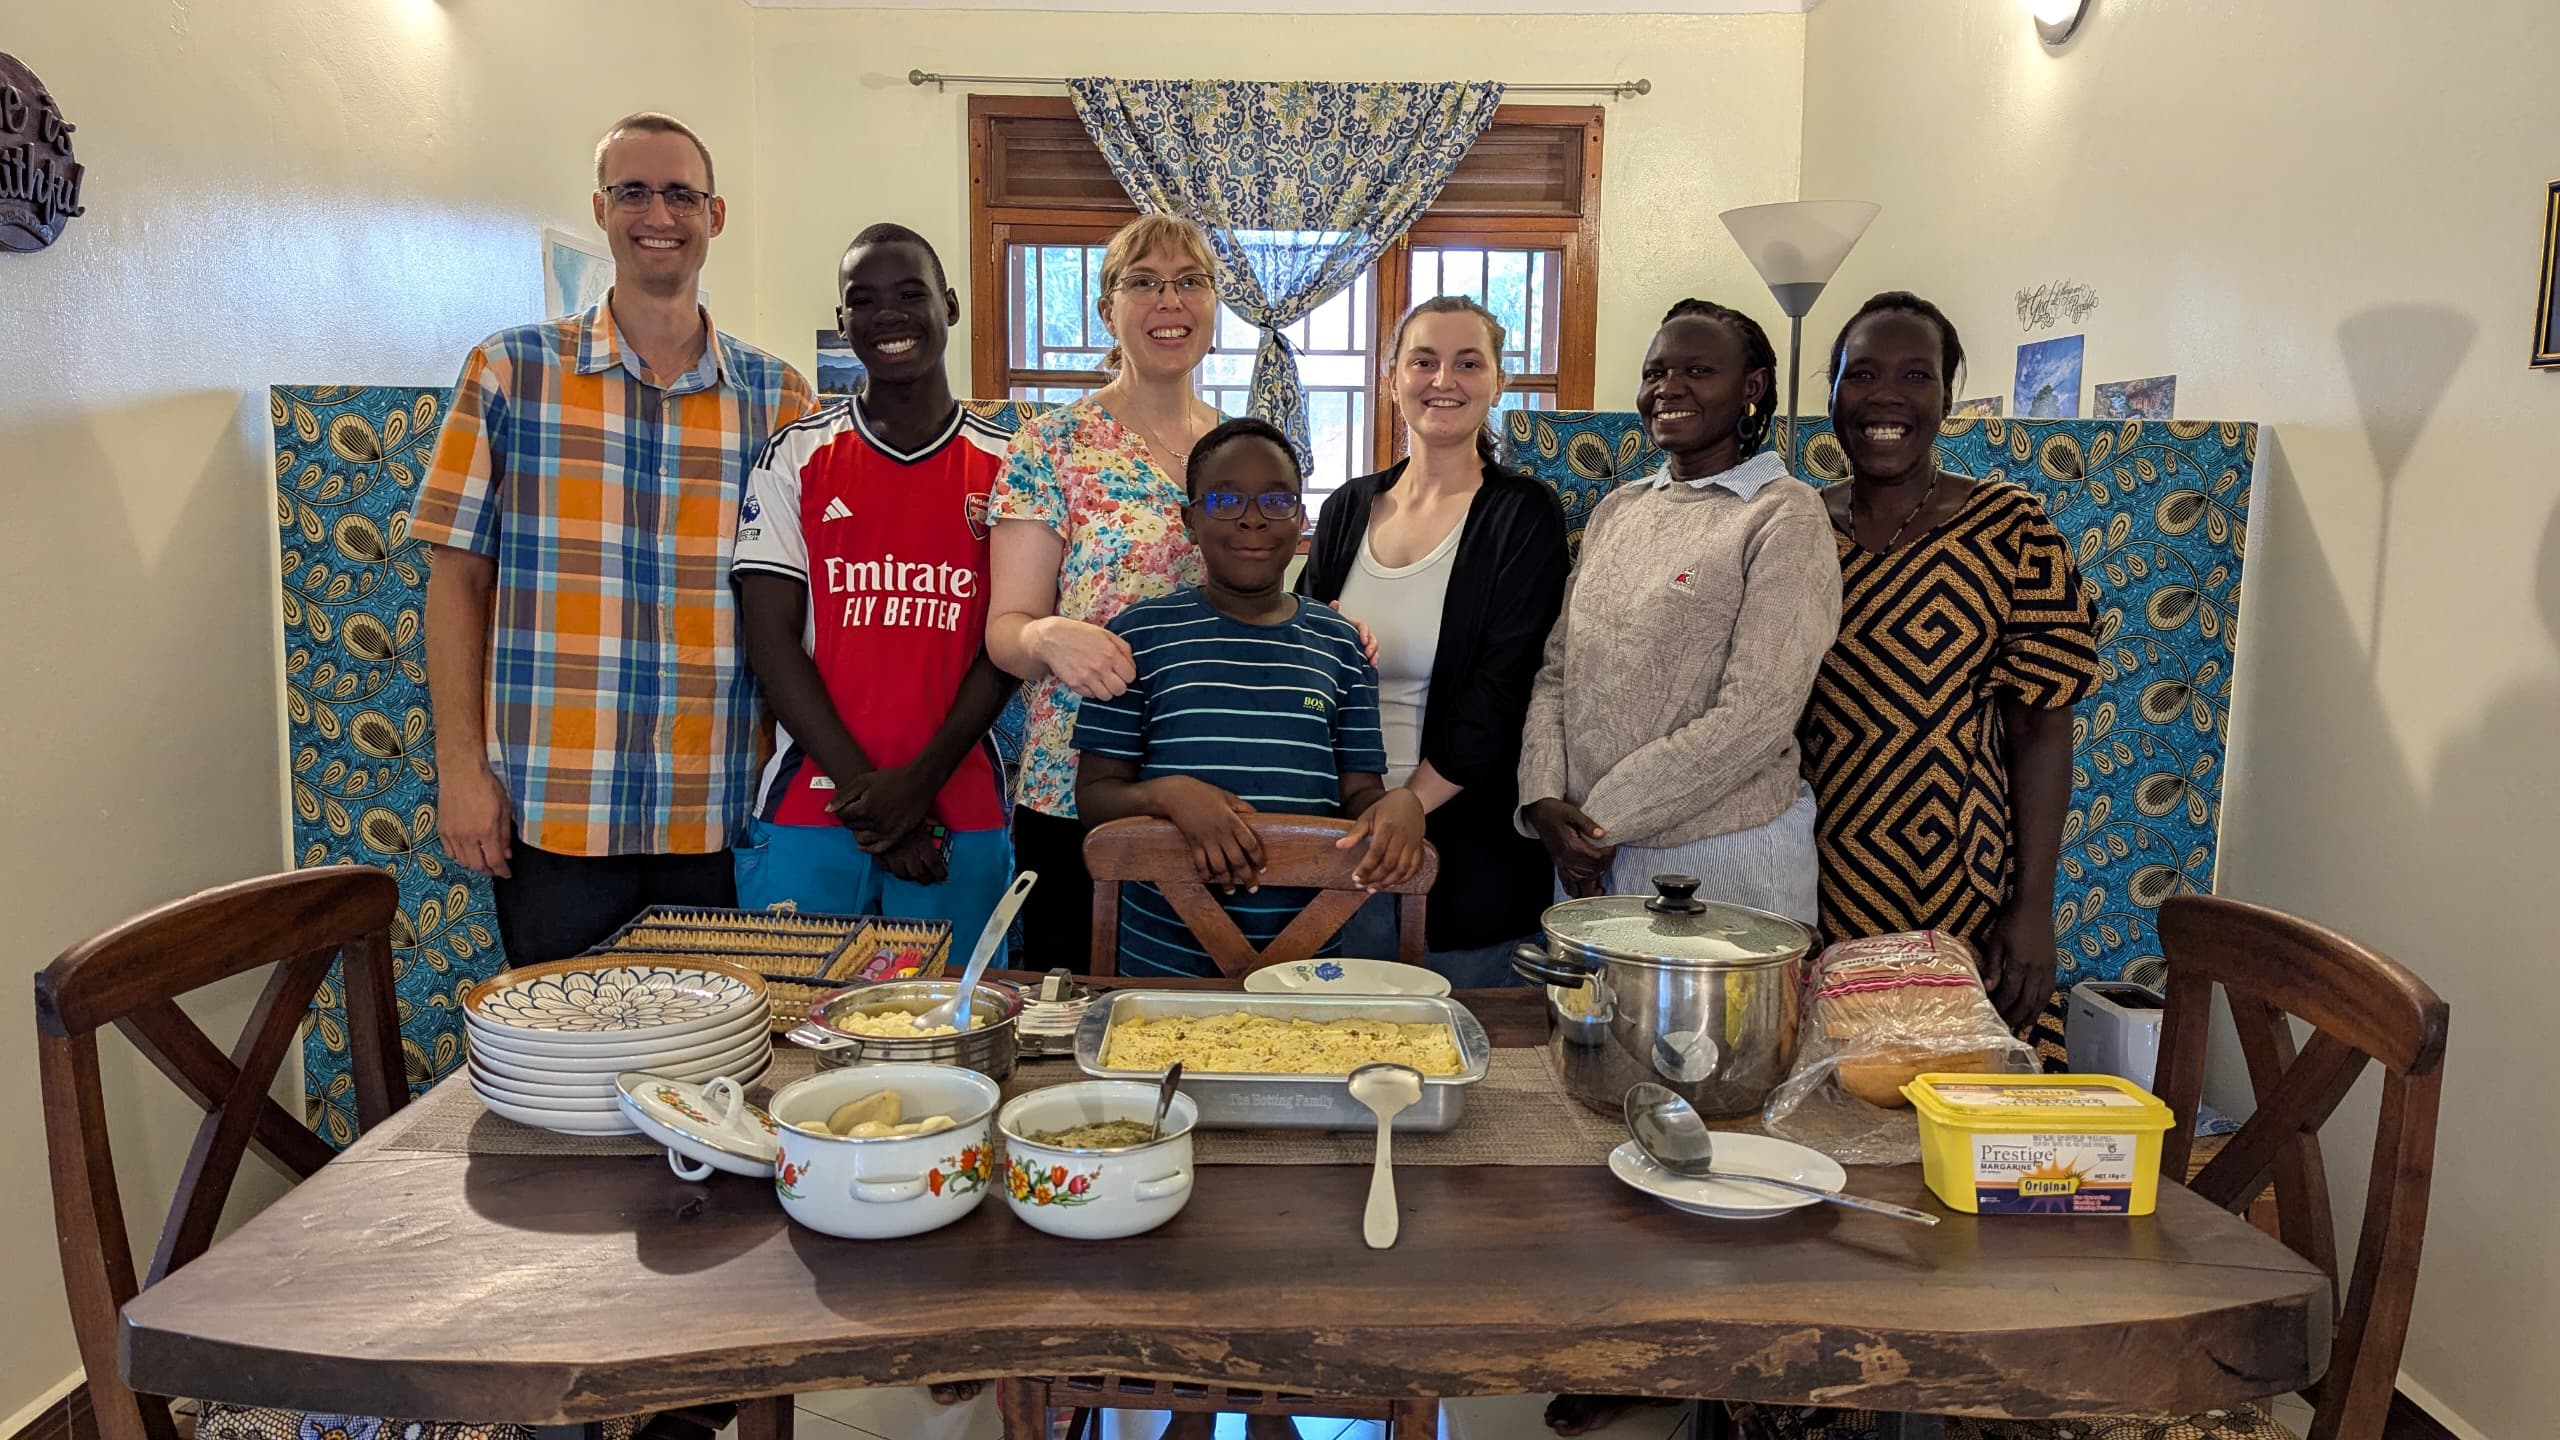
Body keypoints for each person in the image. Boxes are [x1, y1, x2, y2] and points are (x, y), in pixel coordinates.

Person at [414, 112, 812, 966]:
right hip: (554, 812)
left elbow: (802, 606)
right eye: (633, 191)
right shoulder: (511, 373)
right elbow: (457, 583)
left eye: (680, 194)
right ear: (601, 209)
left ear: (717, 215)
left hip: (719, 808)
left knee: (716, 1072)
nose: (657, 214)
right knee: (564, 1075)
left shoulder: (778, 397)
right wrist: (460, 769)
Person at [1801, 291, 2100, 1031]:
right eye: (1862, 375)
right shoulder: (1793, 528)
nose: (1886, 398)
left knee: (1960, 1096)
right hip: (1804, 880)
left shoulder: (2011, 530)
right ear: (1833, 391)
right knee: (1822, 1095)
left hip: (1958, 884)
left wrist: (2032, 910)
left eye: (1916, 376)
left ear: (1948, 393)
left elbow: (2040, 731)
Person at [728, 223, 1017, 945]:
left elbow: (1007, 646)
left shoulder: (1010, 464)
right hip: (811, 804)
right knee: (797, 1037)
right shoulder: (796, 453)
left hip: (960, 803)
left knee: (957, 1033)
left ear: (949, 305)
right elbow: (769, 640)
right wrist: (878, 807)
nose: (889, 314)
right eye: (865, 300)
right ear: (843, 322)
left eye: (911, 293)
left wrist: (917, 790)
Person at [1518, 299, 1842, 925]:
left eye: (1697, 371)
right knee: (1592, 1023)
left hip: (1721, 856)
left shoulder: (1784, 514)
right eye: (1655, 372)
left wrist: (1601, 820)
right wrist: (1543, 799)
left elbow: (1757, 714)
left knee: (1717, 1028)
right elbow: (1559, 670)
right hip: (1584, 851)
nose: (1669, 388)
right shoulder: (1621, 508)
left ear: (1751, 388)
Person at [1072, 419, 1427, 978]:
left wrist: (1399, 806)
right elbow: (1093, 797)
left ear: (1302, 518)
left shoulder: (1341, 646)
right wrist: (1173, 795)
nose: (1254, 517)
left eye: (1277, 499)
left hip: (1307, 959)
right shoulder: (1137, 636)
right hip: (1159, 961)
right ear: (1191, 520)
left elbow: (1359, 792)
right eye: (1226, 498)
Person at [1299, 295, 1569, 986]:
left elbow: (1505, 686)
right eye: (1424, 361)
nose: (1443, 380)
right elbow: (1304, 658)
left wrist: (1410, 802)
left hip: (1466, 847)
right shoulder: (1347, 507)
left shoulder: (1523, 512)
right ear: (1393, 378)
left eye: (1468, 362)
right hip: (1341, 836)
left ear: (1498, 382)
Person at [984, 215, 1221, 969]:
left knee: (1211, 1011)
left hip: (1216, 776)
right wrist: (1047, 635)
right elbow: (1006, 629)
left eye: (1190, 281)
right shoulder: (1050, 445)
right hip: (1076, 785)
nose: (1169, 301)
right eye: (1143, 282)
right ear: (1107, 309)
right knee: (1076, 1009)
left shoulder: (1240, 446)